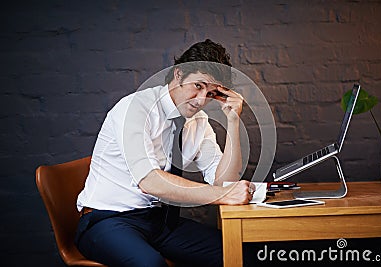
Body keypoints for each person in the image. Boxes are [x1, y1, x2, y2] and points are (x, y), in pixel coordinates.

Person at [75, 39, 255, 267]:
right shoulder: (135, 109)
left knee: (239, 254)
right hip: (107, 219)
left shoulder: (198, 121)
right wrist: (221, 195)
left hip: (157, 222)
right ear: (178, 75)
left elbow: (224, 181)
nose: (201, 101)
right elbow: (150, 182)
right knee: (151, 265)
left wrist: (233, 121)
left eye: (210, 94)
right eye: (198, 86)